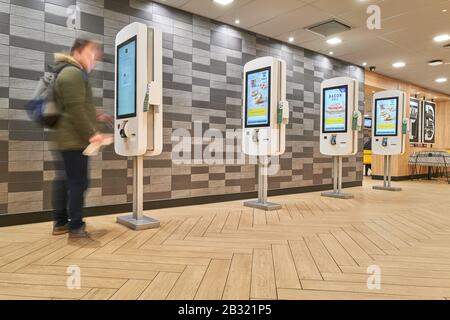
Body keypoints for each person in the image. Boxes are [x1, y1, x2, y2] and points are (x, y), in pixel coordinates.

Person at [51, 39, 113, 238]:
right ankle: (75, 226)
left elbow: (73, 106)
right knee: (79, 182)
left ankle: (60, 223)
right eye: (90, 53)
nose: (93, 59)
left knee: (66, 181)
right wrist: (92, 133)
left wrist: (95, 116)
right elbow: (75, 108)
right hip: (74, 140)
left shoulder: (68, 72)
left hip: (66, 138)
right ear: (77, 52)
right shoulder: (73, 73)